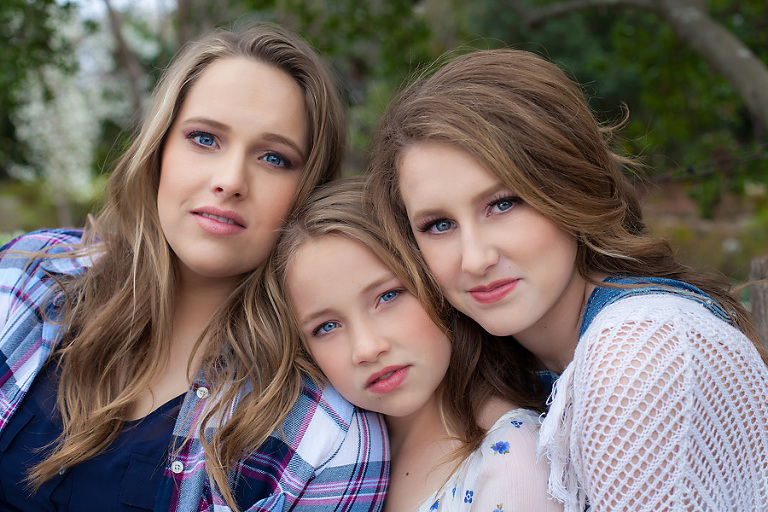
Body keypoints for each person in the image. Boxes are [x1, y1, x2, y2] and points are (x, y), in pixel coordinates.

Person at [0, 24, 387, 511]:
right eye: (204, 138)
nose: (229, 181)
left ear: (309, 192)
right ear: (159, 150)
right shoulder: (26, 276)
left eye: (274, 157)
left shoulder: (328, 438)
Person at [366, 48, 768, 511]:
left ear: (566, 186)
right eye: (438, 225)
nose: (474, 259)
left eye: (503, 203)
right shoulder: (523, 363)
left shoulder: (637, 356)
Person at [265, 176, 561, 511]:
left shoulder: (511, 458)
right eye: (327, 326)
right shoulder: (328, 459)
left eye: (388, 296)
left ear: (433, 282)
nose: (366, 348)